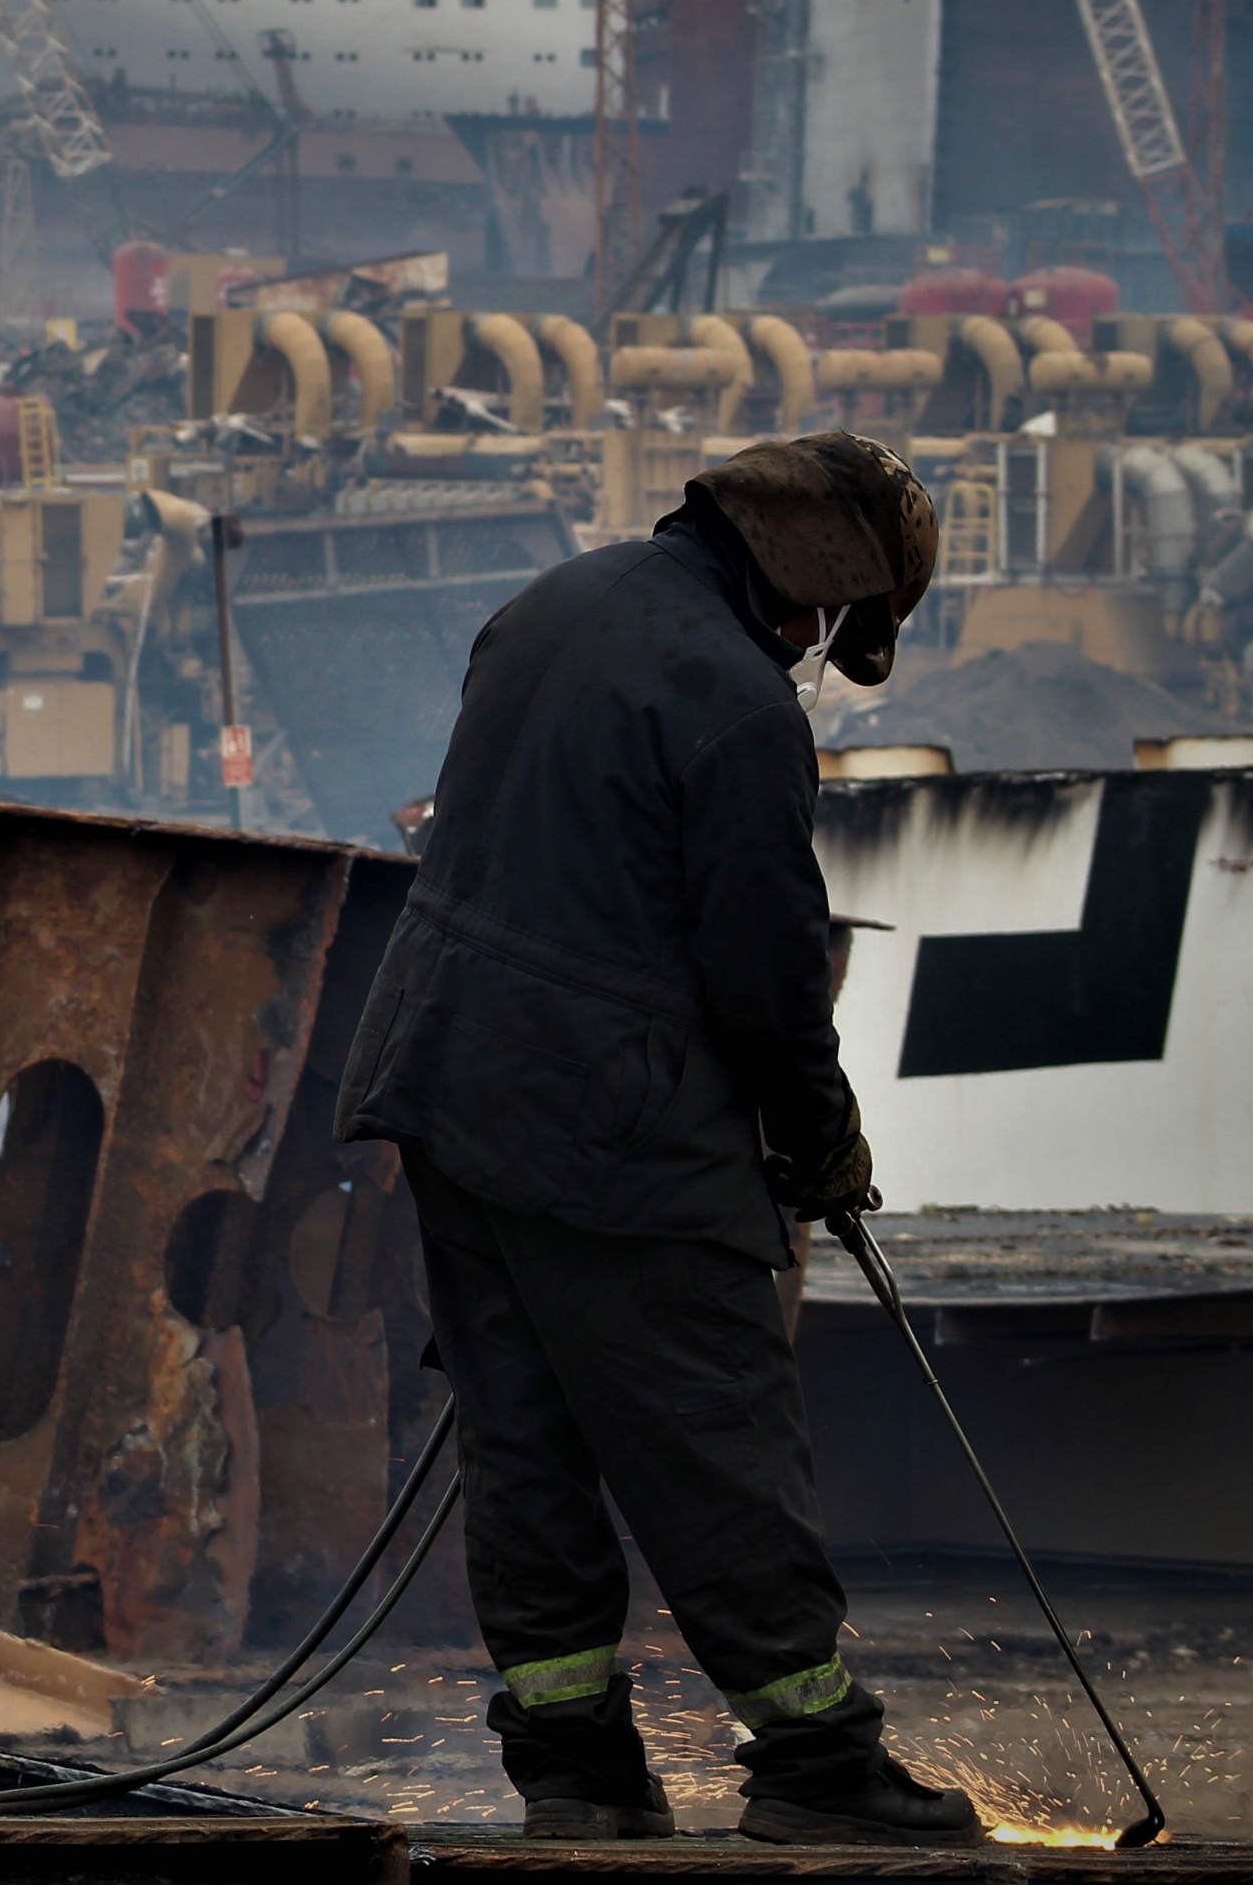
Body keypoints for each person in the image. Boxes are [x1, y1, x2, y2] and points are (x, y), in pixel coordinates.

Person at [336, 432, 965, 1848]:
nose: (821, 646)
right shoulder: (735, 702)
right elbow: (765, 965)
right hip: (604, 1125)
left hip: (446, 1082)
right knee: (713, 1427)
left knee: (528, 1437)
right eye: (833, 622)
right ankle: (819, 1763)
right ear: (817, 582)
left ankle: (576, 1767)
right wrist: (821, 1141)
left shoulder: (553, 602)